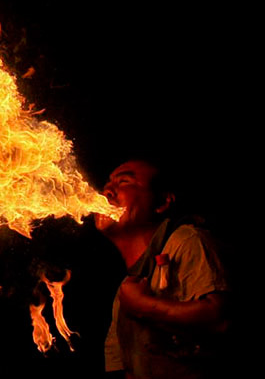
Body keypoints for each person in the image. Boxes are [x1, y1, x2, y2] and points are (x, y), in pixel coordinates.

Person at [95, 160, 229, 378]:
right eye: (107, 185)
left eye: (124, 182)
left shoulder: (187, 241)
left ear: (162, 202)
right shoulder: (126, 290)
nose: (107, 192)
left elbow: (221, 319)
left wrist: (142, 305)